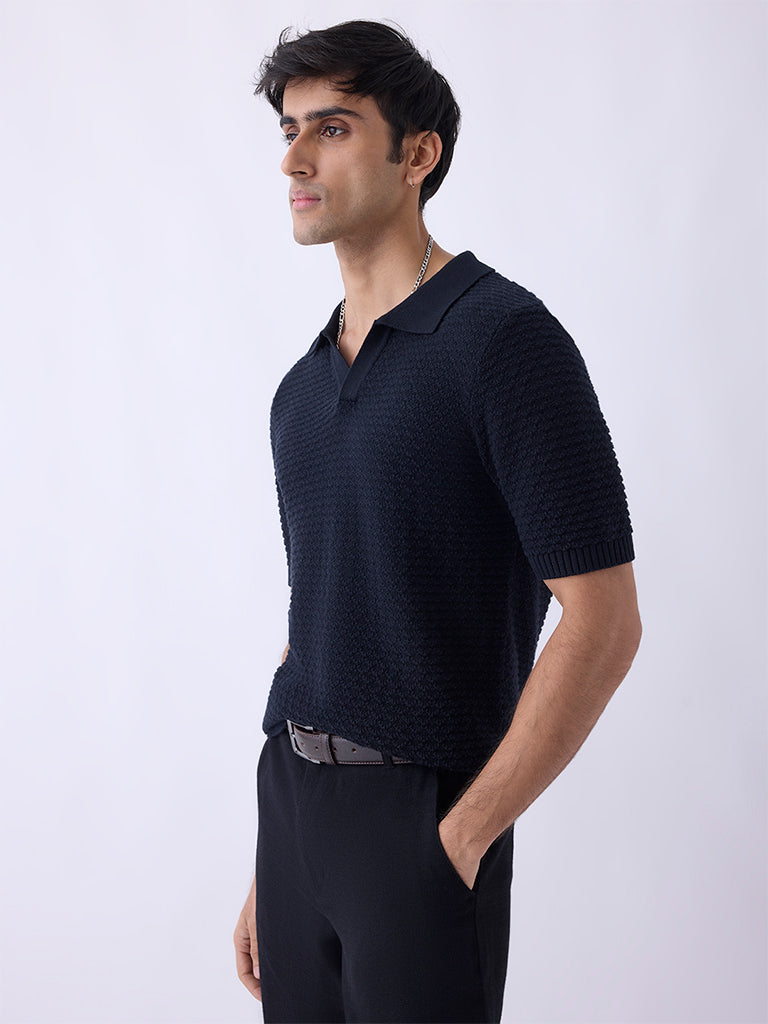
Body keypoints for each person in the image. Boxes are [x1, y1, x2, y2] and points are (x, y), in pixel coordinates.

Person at [234, 19, 642, 1024]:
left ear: (419, 155)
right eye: (288, 129)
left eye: (331, 128)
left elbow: (603, 620)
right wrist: (273, 857)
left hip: (421, 818)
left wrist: (462, 836)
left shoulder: (504, 343)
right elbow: (317, 613)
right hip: (293, 808)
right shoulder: (300, 389)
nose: (293, 159)